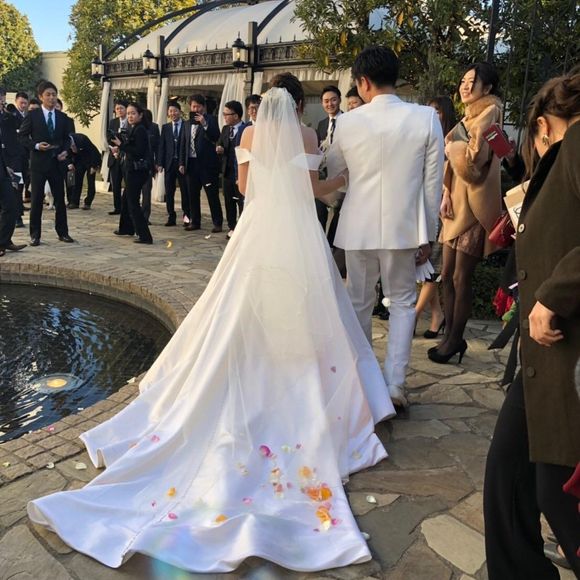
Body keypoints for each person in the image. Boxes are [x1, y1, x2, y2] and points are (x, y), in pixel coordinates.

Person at [27, 73, 395, 574]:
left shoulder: (250, 134)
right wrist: (343, 180)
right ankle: (297, 377)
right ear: (298, 104)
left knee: (236, 308)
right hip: (299, 235)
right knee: (309, 309)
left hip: (256, 231)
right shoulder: (309, 136)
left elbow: (243, 187)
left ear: (267, 102)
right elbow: (313, 190)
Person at [483, 71, 580, 578]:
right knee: (508, 475)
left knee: (558, 495)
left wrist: (553, 294)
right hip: (544, 358)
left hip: (567, 350)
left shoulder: (575, 143)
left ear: (542, 125)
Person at [327, 46, 444, 408]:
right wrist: (428, 234)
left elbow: (335, 172)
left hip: (357, 225)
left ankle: (364, 381)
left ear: (363, 82)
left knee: (359, 302)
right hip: (403, 226)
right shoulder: (426, 118)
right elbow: (432, 185)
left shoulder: (347, 122)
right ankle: (395, 384)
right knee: (403, 303)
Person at [429, 62, 503, 364]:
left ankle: (455, 339)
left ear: (488, 87)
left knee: (460, 277)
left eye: (473, 81)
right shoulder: (468, 116)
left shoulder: (490, 112)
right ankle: (450, 336)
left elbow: (473, 162)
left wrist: (452, 148)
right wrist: (445, 192)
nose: (466, 86)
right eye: (463, 81)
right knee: (446, 275)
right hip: (455, 204)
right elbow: (453, 161)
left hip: (473, 206)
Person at [415, 96, 457, 339]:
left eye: (437, 111)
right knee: (424, 264)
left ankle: (414, 315)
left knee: (433, 265)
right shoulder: (424, 138)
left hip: (443, 209)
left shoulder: (453, 140)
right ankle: (437, 315)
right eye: (429, 110)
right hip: (423, 207)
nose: (432, 115)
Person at [18, 80, 74, 246]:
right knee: (36, 200)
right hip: (38, 164)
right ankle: (35, 235)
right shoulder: (33, 116)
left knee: (60, 199)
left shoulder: (62, 117)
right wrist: (36, 146)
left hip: (56, 163)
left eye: (54, 95)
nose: (52, 98)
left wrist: (65, 151)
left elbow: (67, 138)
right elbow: (21, 136)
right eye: (48, 95)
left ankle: (63, 232)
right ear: (41, 97)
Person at [179, 94, 223, 232]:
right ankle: (195, 221)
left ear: (203, 107)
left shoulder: (211, 120)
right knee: (192, 194)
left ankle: (217, 222)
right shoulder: (187, 124)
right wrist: (181, 162)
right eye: (193, 106)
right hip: (191, 163)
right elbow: (183, 144)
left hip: (207, 164)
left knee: (212, 194)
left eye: (198, 106)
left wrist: (204, 124)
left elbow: (215, 136)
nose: (196, 109)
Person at [112, 102, 153, 245]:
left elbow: (138, 152)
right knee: (126, 199)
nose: (130, 116)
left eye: (133, 113)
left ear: (140, 115)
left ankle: (145, 235)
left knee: (133, 202)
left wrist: (121, 145)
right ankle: (126, 228)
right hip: (132, 170)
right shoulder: (135, 128)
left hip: (137, 171)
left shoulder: (140, 129)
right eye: (128, 113)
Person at [216, 100, 247, 238]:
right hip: (227, 171)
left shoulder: (246, 129)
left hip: (240, 172)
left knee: (241, 201)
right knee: (228, 200)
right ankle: (232, 227)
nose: (225, 117)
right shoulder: (225, 129)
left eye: (226, 114)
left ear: (236, 115)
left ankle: (242, 228)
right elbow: (220, 142)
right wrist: (219, 148)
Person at [157, 101, 189, 226]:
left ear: (180, 112)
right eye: (170, 111)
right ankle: (171, 216)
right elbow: (162, 146)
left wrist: (183, 163)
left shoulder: (186, 125)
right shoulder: (166, 127)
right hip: (169, 164)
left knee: (185, 192)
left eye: (175, 111)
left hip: (182, 164)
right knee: (169, 192)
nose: (173, 113)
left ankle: (186, 217)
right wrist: (160, 163)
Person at [316, 85, 343, 233]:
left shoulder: (348, 121)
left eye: (333, 100)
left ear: (339, 100)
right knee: (319, 214)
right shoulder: (321, 124)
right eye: (326, 101)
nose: (330, 104)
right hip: (324, 177)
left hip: (341, 175)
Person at [67, 133, 101, 210]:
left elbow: (93, 151)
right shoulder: (66, 142)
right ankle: (74, 202)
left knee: (90, 182)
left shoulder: (82, 139)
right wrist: (70, 163)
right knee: (76, 181)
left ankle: (88, 202)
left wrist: (94, 166)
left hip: (90, 160)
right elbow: (67, 154)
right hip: (79, 161)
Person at [107, 99, 129, 215]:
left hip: (126, 156)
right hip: (114, 157)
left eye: (121, 108)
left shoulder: (130, 121)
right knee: (115, 184)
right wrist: (113, 148)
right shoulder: (113, 122)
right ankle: (117, 207)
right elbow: (108, 137)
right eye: (117, 109)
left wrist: (121, 147)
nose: (119, 110)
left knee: (128, 184)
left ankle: (127, 207)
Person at [140, 109, 159, 224]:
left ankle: (145, 216)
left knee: (147, 192)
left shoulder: (154, 127)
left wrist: (157, 162)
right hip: (135, 164)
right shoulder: (135, 127)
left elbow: (157, 146)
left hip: (148, 164)